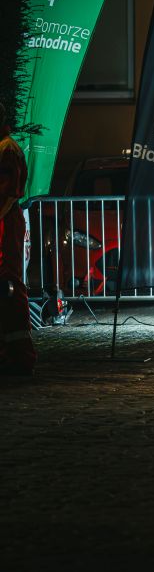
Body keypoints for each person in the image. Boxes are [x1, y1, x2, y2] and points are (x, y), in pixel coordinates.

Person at [0, 102, 36, 375]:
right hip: (6, 219)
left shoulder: (6, 149)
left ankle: (20, 356)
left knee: (8, 283)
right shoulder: (6, 148)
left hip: (5, 220)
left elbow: (8, 191)